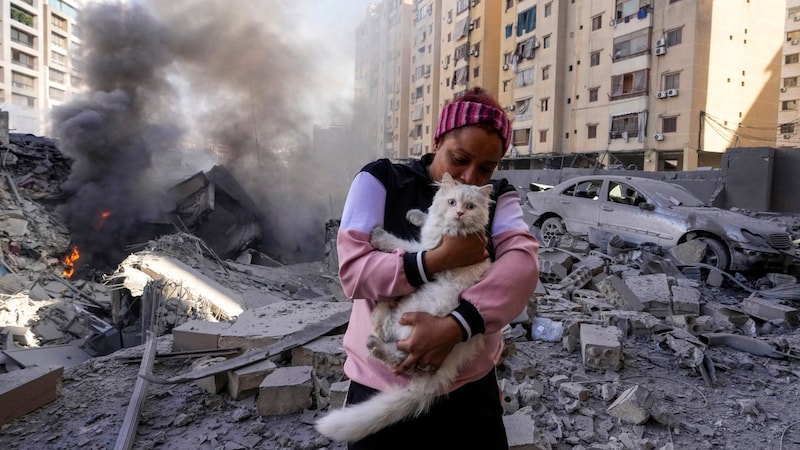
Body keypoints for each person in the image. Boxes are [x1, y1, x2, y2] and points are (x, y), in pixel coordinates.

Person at [335, 86, 540, 449]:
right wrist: (438, 260)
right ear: (439, 139)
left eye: (486, 168)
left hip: (467, 391)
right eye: (459, 159)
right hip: (381, 381)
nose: (470, 178)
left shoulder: (499, 198)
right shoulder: (381, 180)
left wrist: (455, 327)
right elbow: (354, 271)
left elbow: (522, 267)